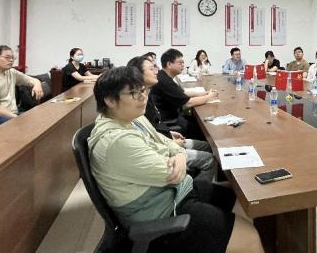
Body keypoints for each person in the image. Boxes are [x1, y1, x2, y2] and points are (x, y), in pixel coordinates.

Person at [88, 66, 264, 253]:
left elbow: (166, 142)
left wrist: (179, 155)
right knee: (250, 237)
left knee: (239, 198)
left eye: (143, 90)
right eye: (134, 93)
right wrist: (178, 156)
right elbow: (173, 174)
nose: (143, 97)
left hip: (174, 193)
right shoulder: (116, 142)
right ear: (109, 100)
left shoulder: (133, 118)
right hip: (162, 212)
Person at [127, 56, 215, 182]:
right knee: (210, 157)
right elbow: (147, 142)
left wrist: (169, 134)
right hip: (163, 148)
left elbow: (152, 128)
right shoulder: (138, 103)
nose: (157, 70)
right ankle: (198, 189)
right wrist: (171, 144)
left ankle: (200, 179)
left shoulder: (147, 93)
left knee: (207, 145)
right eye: (152, 68)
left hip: (166, 136)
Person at [153, 49, 218, 137]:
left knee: (201, 121)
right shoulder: (165, 81)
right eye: (180, 63)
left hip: (172, 117)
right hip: (171, 121)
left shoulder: (163, 76)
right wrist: (210, 97)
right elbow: (188, 103)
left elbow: (181, 93)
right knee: (207, 130)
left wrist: (204, 93)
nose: (183, 65)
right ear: (169, 64)